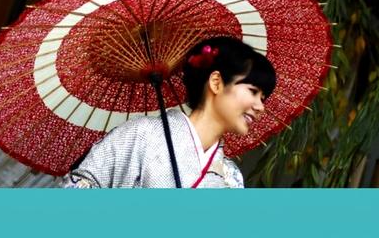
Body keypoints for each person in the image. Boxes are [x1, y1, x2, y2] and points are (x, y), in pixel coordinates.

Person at [63, 36, 276, 188]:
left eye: (263, 98)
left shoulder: (231, 178)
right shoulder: (141, 134)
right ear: (217, 82)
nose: (260, 106)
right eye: (253, 91)